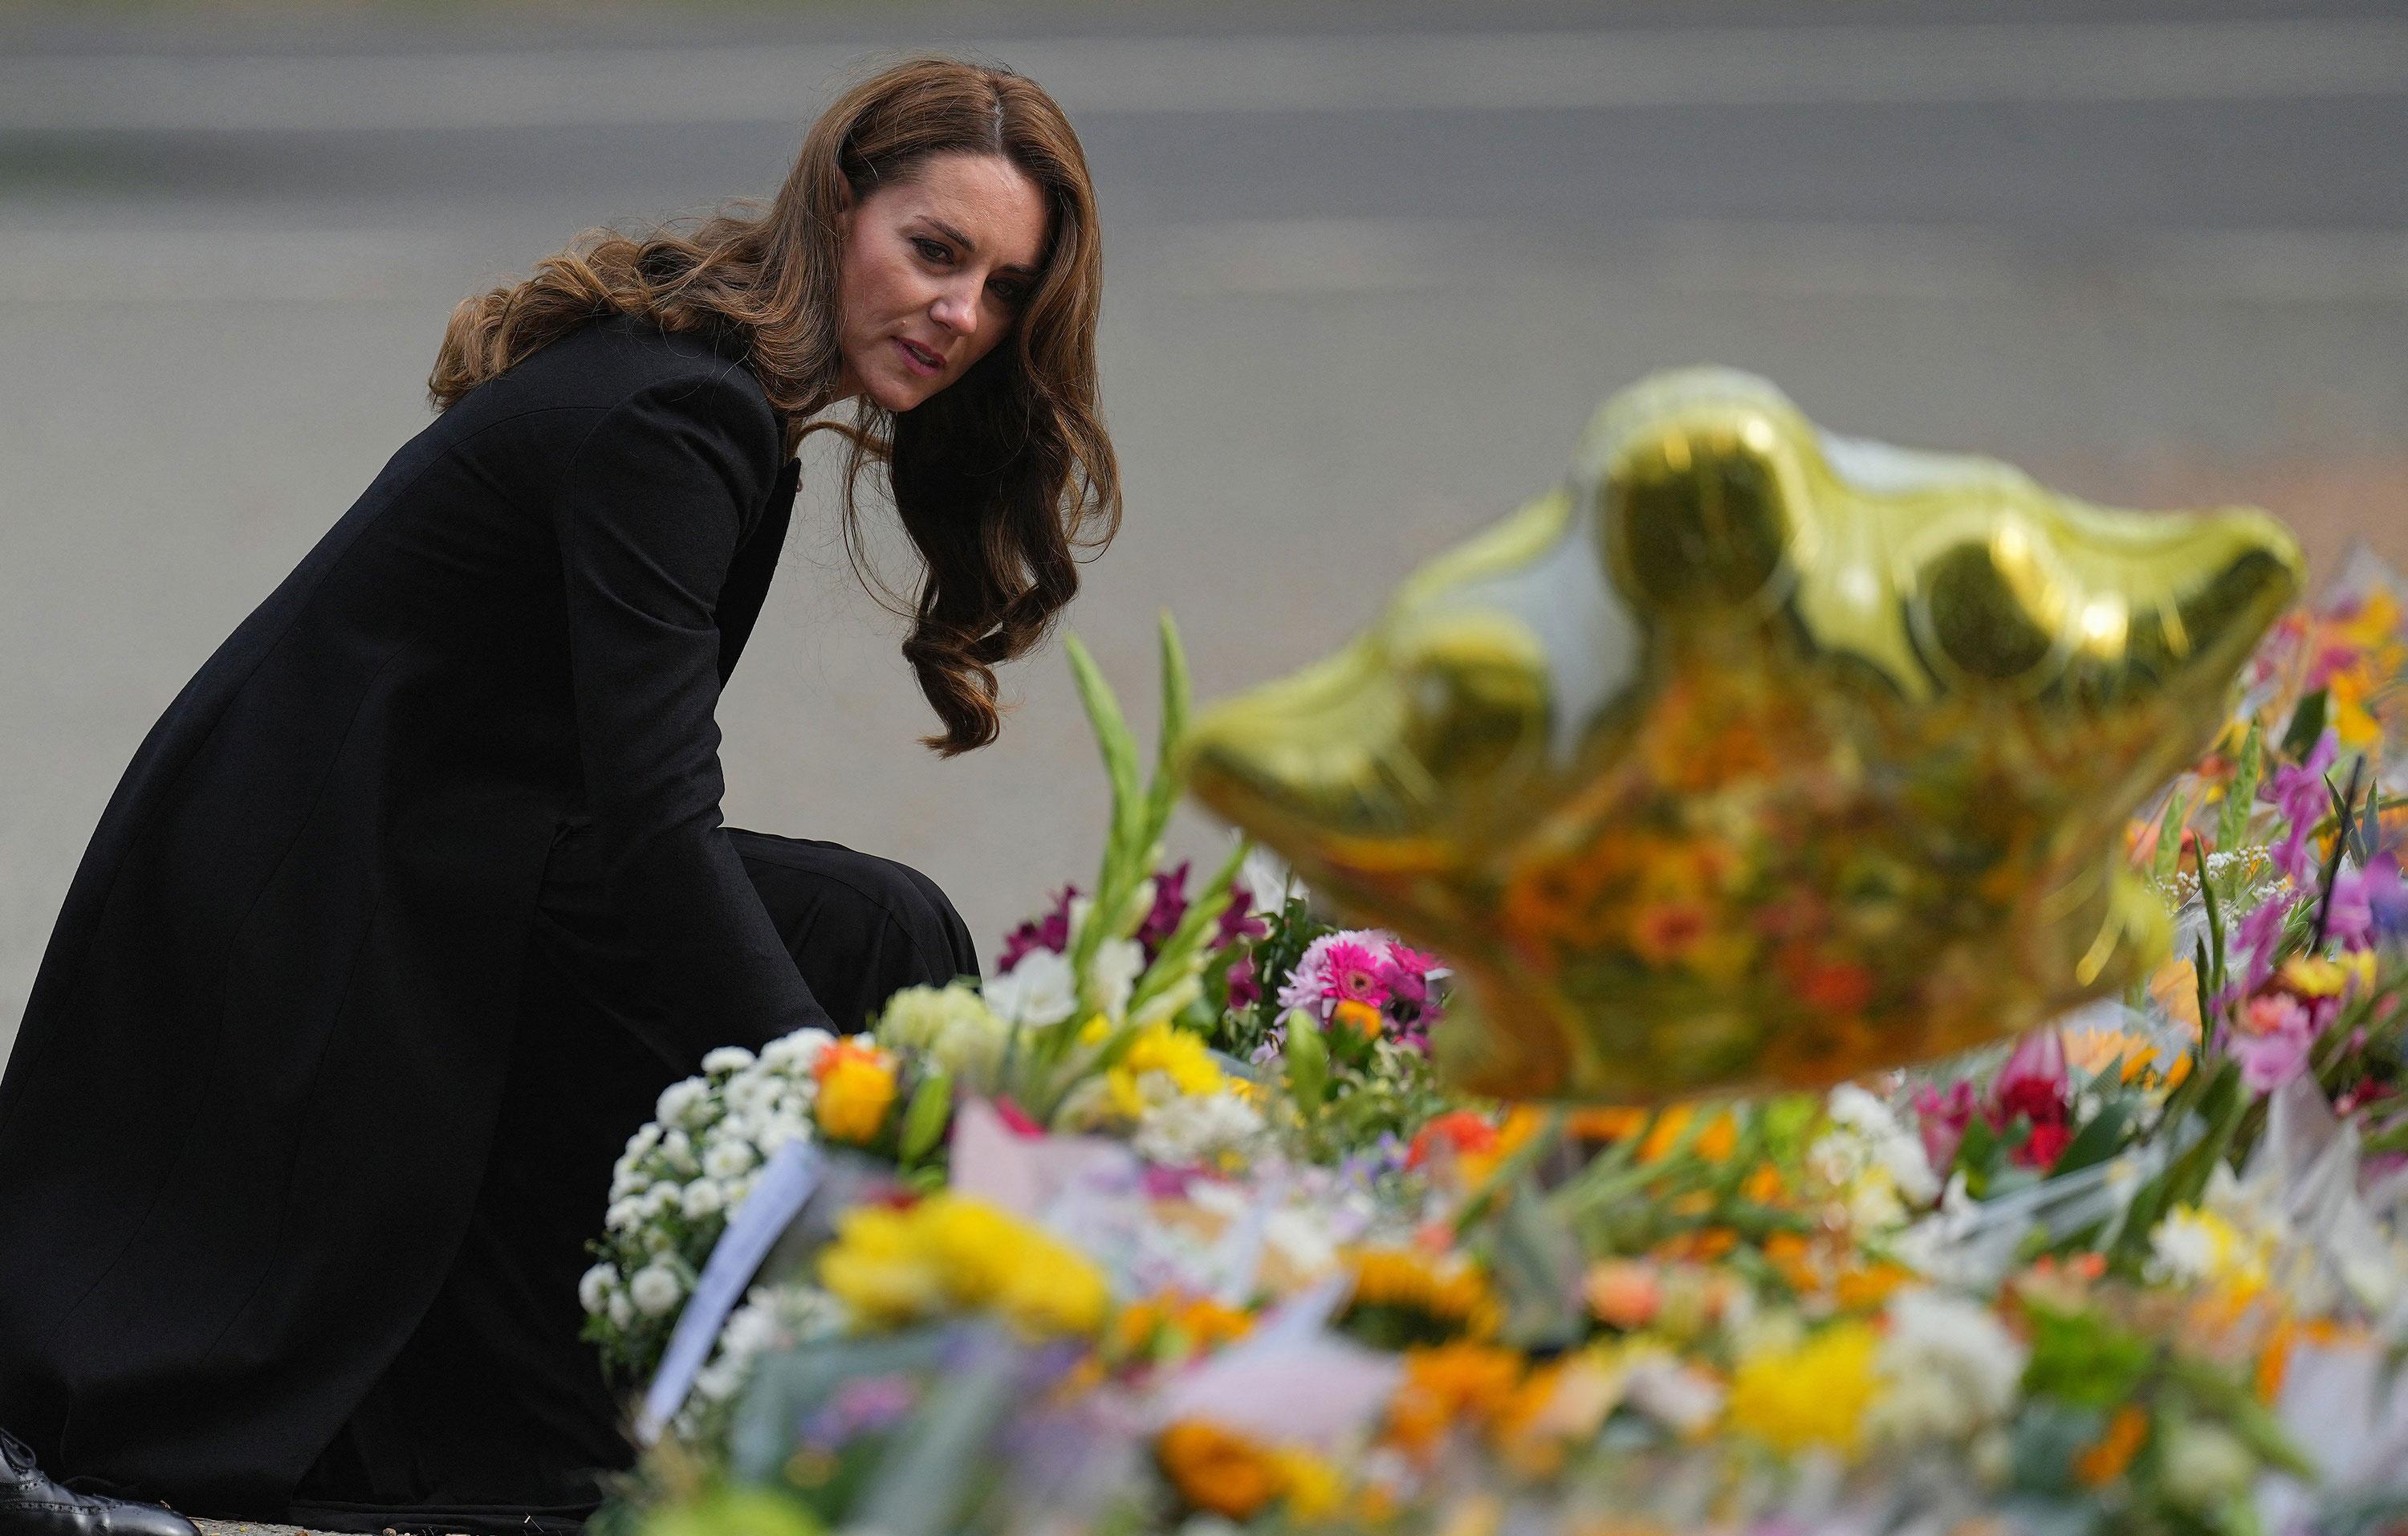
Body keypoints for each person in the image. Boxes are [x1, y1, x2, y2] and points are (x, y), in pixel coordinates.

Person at [0, 56, 1117, 1536]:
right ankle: (869, 1399)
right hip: (326, 883)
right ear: (839, 207)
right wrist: (821, 1100)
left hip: (409, 848)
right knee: (870, 933)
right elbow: (656, 821)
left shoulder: (720, 384)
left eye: (1003, 287)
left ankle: (747, 1400)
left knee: (842, 925)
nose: (962, 313)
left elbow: (622, 809)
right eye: (934, 250)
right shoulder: (686, 418)